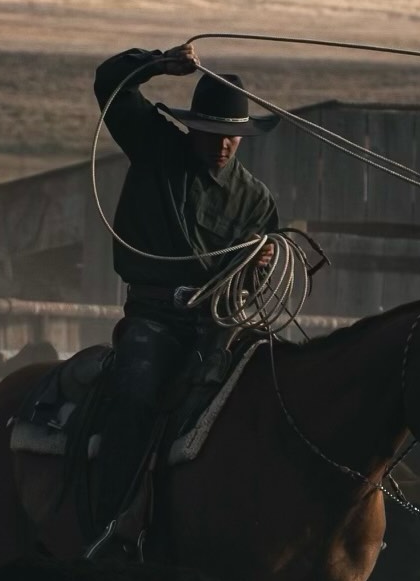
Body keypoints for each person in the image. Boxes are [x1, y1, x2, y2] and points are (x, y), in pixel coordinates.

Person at [90, 42, 280, 539]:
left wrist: (257, 264)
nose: (222, 145)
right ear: (193, 126)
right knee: (134, 395)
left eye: (232, 136)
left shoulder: (256, 201)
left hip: (216, 325)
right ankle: (108, 525)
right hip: (153, 318)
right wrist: (159, 62)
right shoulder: (156, 147)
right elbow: (109, 83)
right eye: (213, 132)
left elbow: (252, 285)